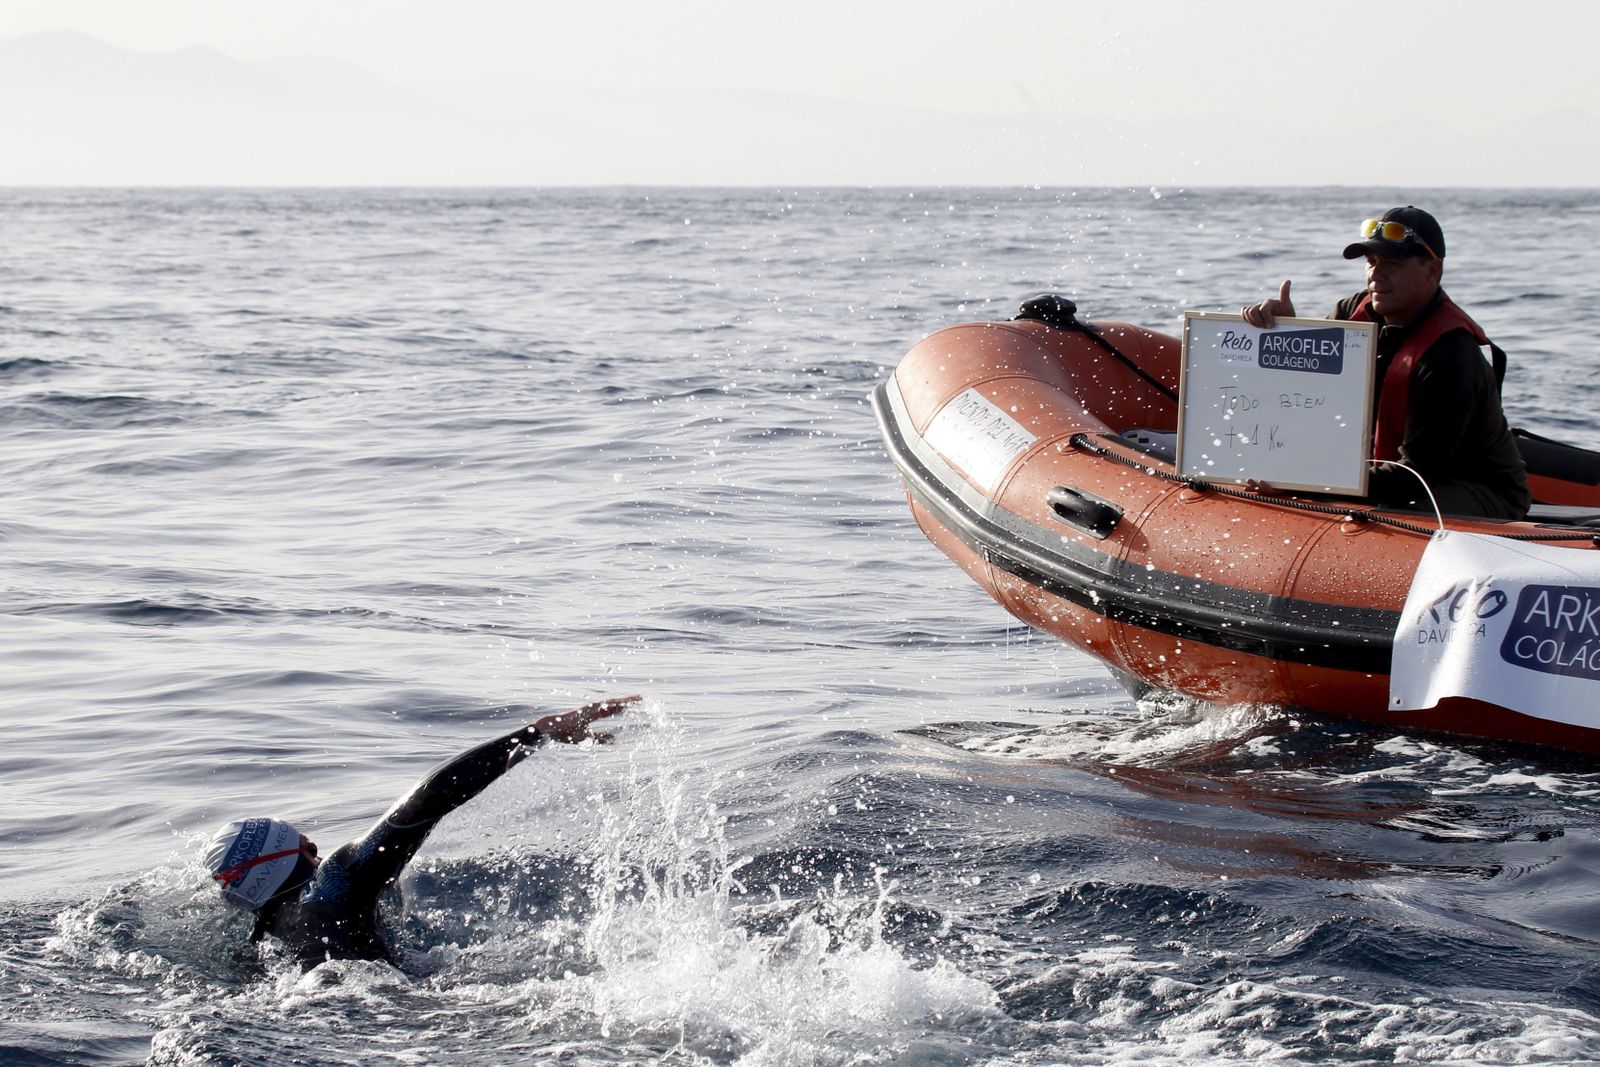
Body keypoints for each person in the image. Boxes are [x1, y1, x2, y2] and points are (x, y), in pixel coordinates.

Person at [204, 695, 637, 968]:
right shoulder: (336, 880)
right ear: (298, 851)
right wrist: (533, 735)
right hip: (398, 1010)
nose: (314, 844)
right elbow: (422, 805)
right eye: (302, 841)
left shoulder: (257, 947)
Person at [1241, 206, 1530, 520]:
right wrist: (1284, 331)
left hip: (1475, 489)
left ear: (1432, 271)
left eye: (1392, 263)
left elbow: (1413, 479)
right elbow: (1305, 391)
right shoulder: (1352, 310)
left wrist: (1306, 484)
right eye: (1371, 262)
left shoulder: (1451, 355)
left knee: (1400, 510)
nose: (1375, 274)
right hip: (1391, 469)